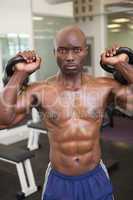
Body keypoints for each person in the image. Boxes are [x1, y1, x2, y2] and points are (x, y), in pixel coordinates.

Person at [0, 26, 133, 200]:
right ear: (54, 52)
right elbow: (3, 120)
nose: (69, 57)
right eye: (62, 50)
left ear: (85, 51)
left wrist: (120, 64)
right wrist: (20, 73)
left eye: (76, 50)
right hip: (59, 181)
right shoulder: (41, 90)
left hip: (95, 177)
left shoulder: (104, 87)